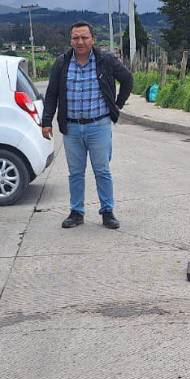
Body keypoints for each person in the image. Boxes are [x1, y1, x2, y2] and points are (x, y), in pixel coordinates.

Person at [42, 22, 133, 230]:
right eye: (76, 38)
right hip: (72, 129)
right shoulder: (62, 63)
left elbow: (127, 79)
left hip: (99, 126)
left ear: (93, 39)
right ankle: (76, 212)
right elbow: (52, 94)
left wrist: (117, 105)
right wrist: (46, 121)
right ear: (71, 40)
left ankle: (107, 212)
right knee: (75, 173)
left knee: (102, 171)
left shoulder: (105, 60)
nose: (80, 42)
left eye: (84, 37)